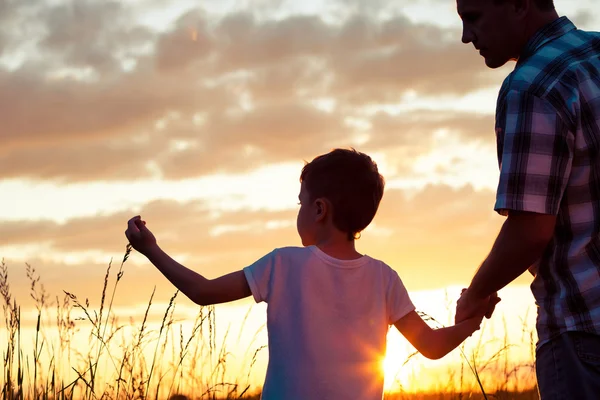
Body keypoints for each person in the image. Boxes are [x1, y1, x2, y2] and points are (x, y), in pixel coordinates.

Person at [125, 148, 492, 400]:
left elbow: (203, 292)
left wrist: (151, 249)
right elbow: (431, 346)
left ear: (319, 209)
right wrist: (471, 322)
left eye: (300, 202)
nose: (298, 211)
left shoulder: (282, 264)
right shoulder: (385, 278)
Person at [455, 0, 600, 398]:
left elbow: (530, 229)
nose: (467, 36)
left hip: (582, 332)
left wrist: (477, 293)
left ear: (518, 5)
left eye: (474, 18)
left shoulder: (533, 85)